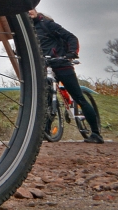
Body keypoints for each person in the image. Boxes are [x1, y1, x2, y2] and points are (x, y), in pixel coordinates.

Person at [29, 8, 103, 143]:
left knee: (79, 97)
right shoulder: (27, 30)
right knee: (45, 99)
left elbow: (71, 37)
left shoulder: (48, 24)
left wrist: (71, 53)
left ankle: (96, 134)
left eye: (31, 9)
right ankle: (46, 132)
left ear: (35, 10)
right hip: (45, 66)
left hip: (62, 64)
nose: (29, 12)